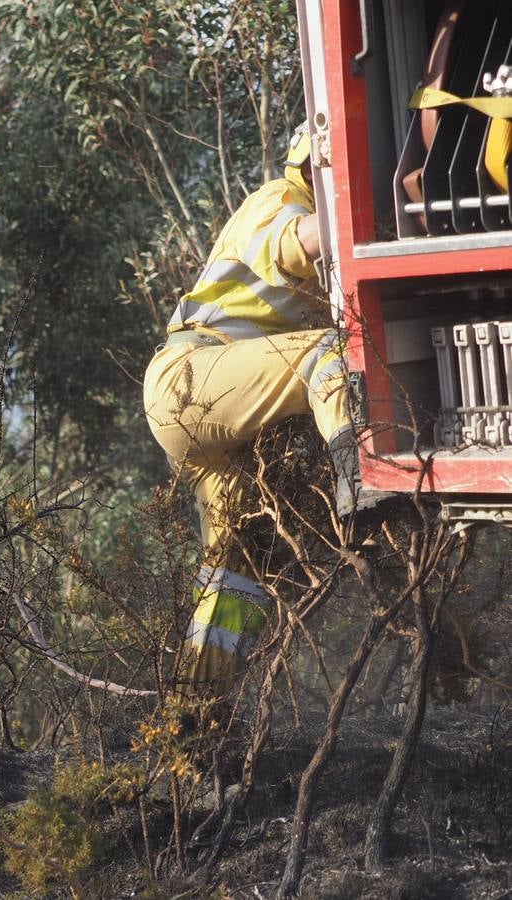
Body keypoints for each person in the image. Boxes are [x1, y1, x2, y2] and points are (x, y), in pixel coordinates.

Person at [143, 123, 382, 701]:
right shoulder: (277, 199)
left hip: (216, 428)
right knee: (331, 352)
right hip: (189, 381)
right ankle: (364, 480)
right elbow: (295, 240)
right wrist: (376, 219)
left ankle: (194, 726)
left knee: (237, 573)